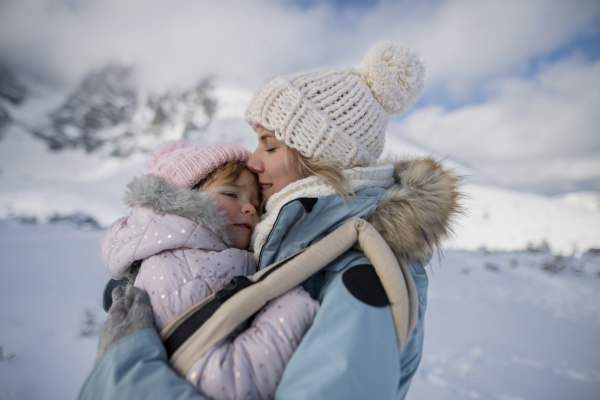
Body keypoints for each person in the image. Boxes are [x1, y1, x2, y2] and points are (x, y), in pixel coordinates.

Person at [80, 41, 461, 400]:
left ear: (320, 155)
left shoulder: (362, 271)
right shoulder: (295, 239)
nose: (252, 160)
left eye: (270, 144)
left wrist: (125, 368)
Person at [98, 141, 319, 399]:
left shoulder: (199, 255)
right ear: (184, 200)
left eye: (257, 206)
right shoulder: (183, 270)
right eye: (231, 194)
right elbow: (223, 383)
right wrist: (290, 308)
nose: (250, 210)